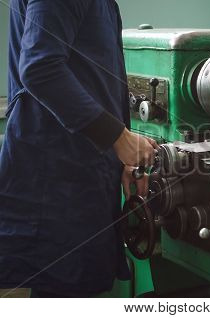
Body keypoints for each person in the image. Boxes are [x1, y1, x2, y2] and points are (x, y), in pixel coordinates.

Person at [0, 0, 156, 297]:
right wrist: (118, 138)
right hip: (52, 188)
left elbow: (91, 79)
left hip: (77, 180)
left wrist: (120, 154)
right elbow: (39, 68)